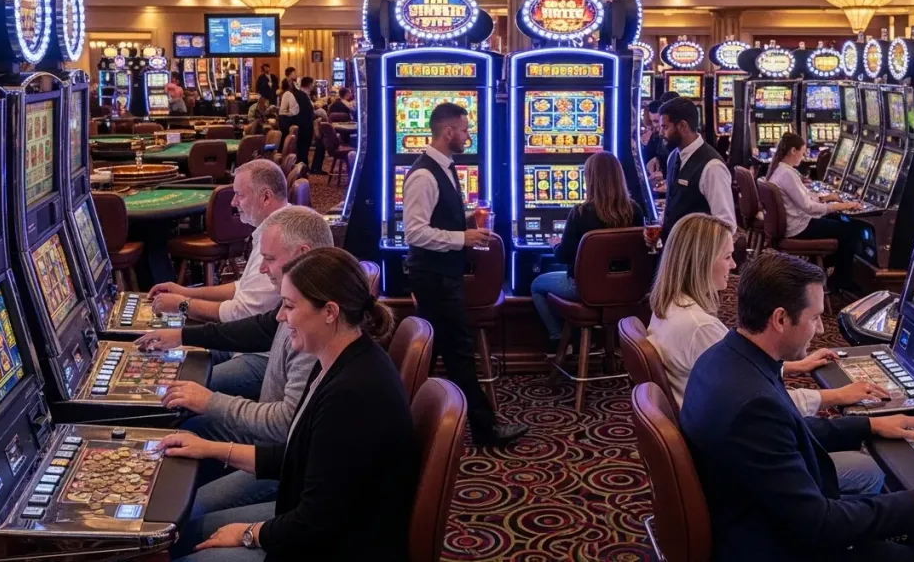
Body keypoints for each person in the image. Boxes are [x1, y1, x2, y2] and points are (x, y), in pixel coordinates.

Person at [681, 252, 914, 562]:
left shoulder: (724, 358)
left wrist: (869, 425)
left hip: (756, 518)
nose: (819, 329)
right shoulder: (753, 406)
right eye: (814, 317)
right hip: (777, 545)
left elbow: (787, 432)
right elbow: (821, 525)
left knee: (908, 527)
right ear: (779, 319)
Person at [164, 247, 417, 561]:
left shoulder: (353, 393)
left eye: (289, 306)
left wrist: (249, 533)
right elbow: (302, 456)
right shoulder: (333, 358)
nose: (281, 318)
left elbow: (316, 522)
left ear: (329, 312)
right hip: (320, 523)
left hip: (341, 545)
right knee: (183, 534)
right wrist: (212, 448)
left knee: (186, 553)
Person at [649, 213, 893, 491]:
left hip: (712, 441)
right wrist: (837, 396)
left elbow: (750, 369)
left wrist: (792, 366)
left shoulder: (673, 308)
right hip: (730, 461)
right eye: (727, 257)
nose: (734, 264)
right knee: (871, 469)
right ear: (702, 261)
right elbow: (763, 401)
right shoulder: (699, 327)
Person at [136, 206, 333, 517]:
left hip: (289, 466)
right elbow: (255, 328)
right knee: (181, 428)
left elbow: (285, 431)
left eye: (269, 260)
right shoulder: (301, 302)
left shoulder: (315, 328)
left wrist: (212, 403)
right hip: (282, 448)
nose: (262, 269)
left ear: (302, 254)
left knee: (191, 512)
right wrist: (184, 335)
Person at [403, 102, 528, 447]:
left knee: (438, 353)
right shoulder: (425, 174)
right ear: (448, 132)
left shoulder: (444, 167)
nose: (468, 135)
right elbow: (414, 233)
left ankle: (404, 425)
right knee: (456, 353)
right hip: (433, 276)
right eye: (464, 129)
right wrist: (463, 237)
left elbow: (435, 220)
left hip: (442, 274)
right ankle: (485, 430)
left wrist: (466, 221)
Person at [148, 160, 288, 403]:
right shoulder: (272, 227)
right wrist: (187, 292)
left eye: (239, 195)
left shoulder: (280, 238)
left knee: (168, 390)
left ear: (266, 197)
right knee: (164, 361)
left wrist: (183, 305)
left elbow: (242, 313)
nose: (233, 203)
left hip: (262, 356)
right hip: (245, 341)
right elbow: (242, 288)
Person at [531, 152, 645, 352]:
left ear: (590, 179)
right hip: (626, 289)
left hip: (585, 289)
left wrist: (555, 244)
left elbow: (564, 257)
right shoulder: (635, 210)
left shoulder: (580, 213)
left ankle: (561, 341)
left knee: (536, 285)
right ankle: (596, 341)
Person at [767, 131, 862, 290]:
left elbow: (803, 196)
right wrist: (842, 206)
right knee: (851, 230)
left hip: (794, 223)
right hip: (799, 227)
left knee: (838, 220)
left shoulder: (780, 170)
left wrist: (825, 198)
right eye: (802, 153)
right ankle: (840, 279)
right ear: (793, 151)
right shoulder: (787, 174)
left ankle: (823, 268)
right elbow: (808, 207)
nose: (803, 157)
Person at [657, 97, 736, 242]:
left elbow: (726, 225)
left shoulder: (712, 166)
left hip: (696, 255)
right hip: (674, 248)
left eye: (665, 127)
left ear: (682, 126)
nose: (660, 133)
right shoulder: (674, 156)